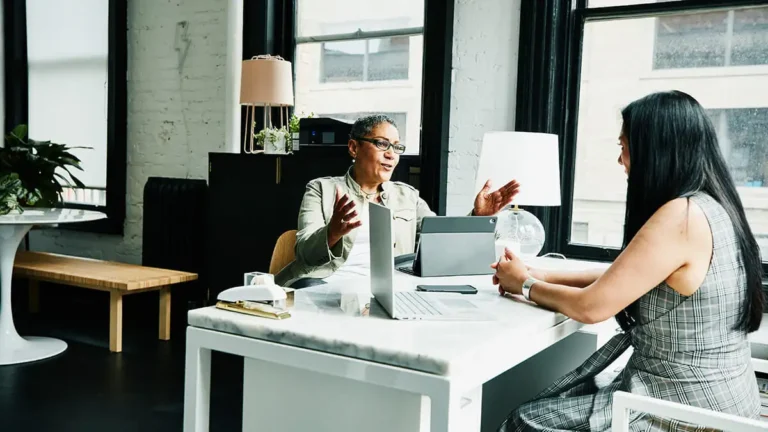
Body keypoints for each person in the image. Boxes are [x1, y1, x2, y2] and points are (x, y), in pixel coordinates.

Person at [492, 90, 764, 431]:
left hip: (682, 409)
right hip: (726, 400)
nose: (620, 160)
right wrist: (539, 272)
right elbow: (627, 277)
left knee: (524, 421)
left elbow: (592, 307)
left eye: (623, 147)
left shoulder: (680, 217)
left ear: (655, 150)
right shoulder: (713, 206)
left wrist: (525, 285)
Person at [275, 114, 520, 288]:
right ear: (353, 147)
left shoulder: (407, 196)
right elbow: (305, 253)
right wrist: (333, 232)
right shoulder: (321, 189)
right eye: (382, 144)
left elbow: (440, 241)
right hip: (323, 284)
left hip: (387, 291)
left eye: (396, 146)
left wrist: (479, 217)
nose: (391, 154)